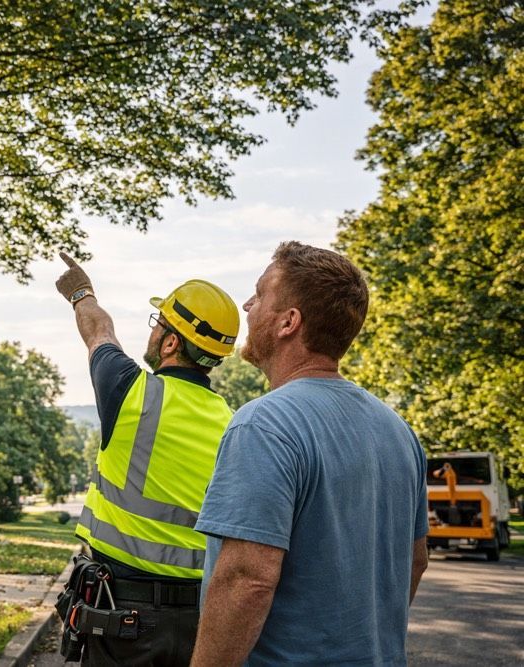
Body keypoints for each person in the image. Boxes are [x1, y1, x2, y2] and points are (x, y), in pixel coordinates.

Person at [191, 241, 429, 666]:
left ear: (288, 323)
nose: (247, 305)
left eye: (260, 293)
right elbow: (416, 560)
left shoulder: (264, 424)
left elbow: (247, 580)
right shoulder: (399, 432)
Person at [54, 251, 240, 666]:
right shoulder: (235, 424)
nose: (153, 332)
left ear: (172, 342)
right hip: (199, 620)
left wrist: (80, 291)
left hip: (123, 616)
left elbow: (98, 330)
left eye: (159, 325)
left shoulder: (130, 393)